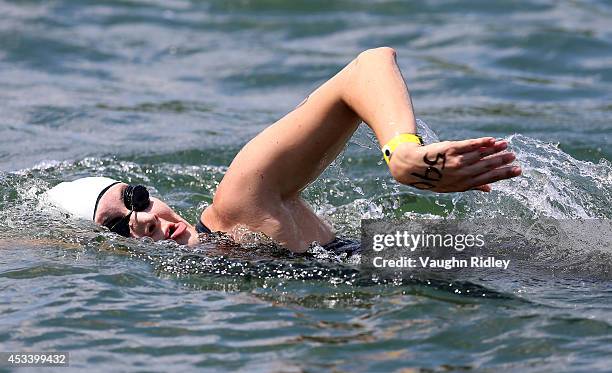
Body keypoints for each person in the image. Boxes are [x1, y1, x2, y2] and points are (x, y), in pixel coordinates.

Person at [45, 47, 521, 253]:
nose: (142, 218)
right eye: (116, 225)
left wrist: (402, 153)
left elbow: (368, 67)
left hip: (470, 264)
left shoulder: (237, 206)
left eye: (136, 199)